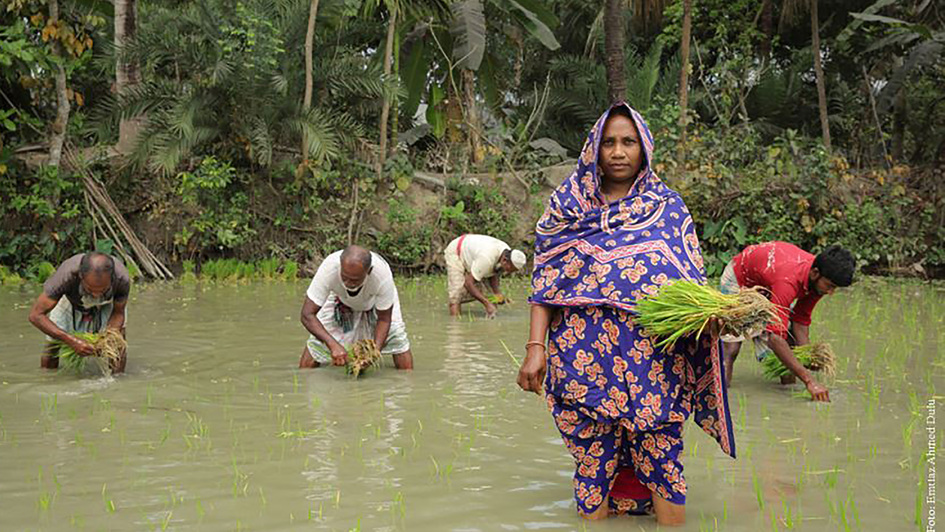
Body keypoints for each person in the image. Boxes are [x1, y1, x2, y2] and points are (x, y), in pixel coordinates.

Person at [516, 103, 735, 526]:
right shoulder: (567, 205)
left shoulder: (668, 207)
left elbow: (690, 282)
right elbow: (545, 283)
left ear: (645, 149)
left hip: (653, 362)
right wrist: (535, 348)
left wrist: (713, 316)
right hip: (583, 361)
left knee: (664, 464)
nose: (618, 152)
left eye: (628, 142)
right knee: (592, 465)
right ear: (593, 149)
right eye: (609, 142)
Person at [720, 242, 855, 401]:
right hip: (741, 278)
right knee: (732, 346)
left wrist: (807, 356)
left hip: (770, 286)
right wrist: (810, 381)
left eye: (835, 288)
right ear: (815, 273)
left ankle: (786, 398)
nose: (830, 292)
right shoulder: (789, 281)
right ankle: (721, 397)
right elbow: (775, 339)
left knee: (789, 346)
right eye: (830, 286)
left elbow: (800, 321)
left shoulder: (817, 282)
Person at [299, 245, 413, 370]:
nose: (348, 284)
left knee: (397, 336)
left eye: (355, 280)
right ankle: (304, 379)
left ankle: (408, 381)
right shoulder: (329, 269)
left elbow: (384, 320)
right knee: (316, 343)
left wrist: (374, 353)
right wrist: (332, 345)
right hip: (339, 298)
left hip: (374, 299)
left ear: (368, 272)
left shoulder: (382, 276)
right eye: (345, 277)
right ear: (340, 267)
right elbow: (307, 315)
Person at [27, 252, 130, 373]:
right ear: (80, 276)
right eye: (90, 289)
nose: (96, 295)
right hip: (71, 301)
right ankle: (47, 378)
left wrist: (106, 339)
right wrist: (70, 340)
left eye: (102, 290)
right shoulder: (65, 277)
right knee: (52, 345)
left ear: (112, 279)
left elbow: (118, 313)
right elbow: (35, 315)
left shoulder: (122, 279)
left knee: (117, 344)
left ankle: (117, 382)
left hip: (107, 303)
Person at [444, 234, 526, 318]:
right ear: (505, 261)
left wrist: (497, 293)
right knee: (456, 294)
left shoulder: (506, 253)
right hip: (457, 250)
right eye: (510, 269)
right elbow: (468, 283)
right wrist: (486, 303)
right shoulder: (487, 258)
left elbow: (494, 272)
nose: (509, 272)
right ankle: (455, 324)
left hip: (474, 254)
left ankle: (492, 322)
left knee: (491, 294)